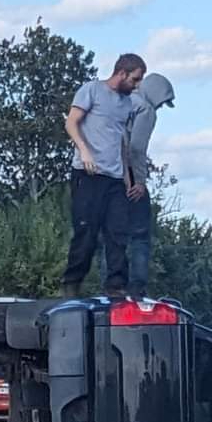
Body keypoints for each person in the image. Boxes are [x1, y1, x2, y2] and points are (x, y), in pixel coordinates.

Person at [61, 53, 147, 298]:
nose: (137, 85)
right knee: (86, 232)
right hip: (87, 173)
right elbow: (71, 123)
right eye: (135, 79)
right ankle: (71, 282)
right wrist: (84, 151)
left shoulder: (127, 104)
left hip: (115, 178)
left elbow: (122, 140)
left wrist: (128, 177)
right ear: (121, 73)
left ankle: (116, 285)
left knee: (118, 232)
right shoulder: (91, 90)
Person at [123, 73, 174, 297]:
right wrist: (140, 182)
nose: (160, 108)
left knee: (111, 235)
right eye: (162, 103)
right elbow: (136, 148)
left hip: (109, 174)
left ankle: (113, 285)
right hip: (131, 174)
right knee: (140, 235)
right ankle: (137, 288)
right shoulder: (146, 110)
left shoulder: (121, 101)